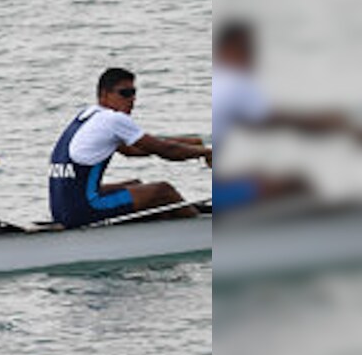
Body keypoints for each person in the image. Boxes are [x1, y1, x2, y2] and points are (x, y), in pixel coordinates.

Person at [211, 20, 357, 210]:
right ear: (230, 49)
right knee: (297, 184)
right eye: (247, 48)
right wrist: (340, 125)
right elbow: (283, 121)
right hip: (217, 189)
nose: (253, 55)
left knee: (262, 176)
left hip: (217, 182)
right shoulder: (232, 82)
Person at [48, 67, 212, 228]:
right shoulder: (113, 120)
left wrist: (191, 143)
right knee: (163, 191)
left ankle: (166, 223)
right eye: (125, 93)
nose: (132, 99)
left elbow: (133, 150)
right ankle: (202, 231)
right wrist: (207, 152)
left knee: (135, 184)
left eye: (133, 93)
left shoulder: (88, 116)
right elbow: (166, 151)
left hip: (62, 210)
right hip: (83, 210)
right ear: (105, 95)